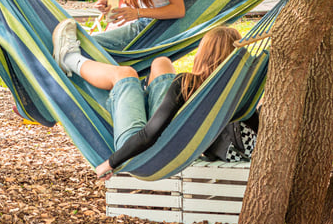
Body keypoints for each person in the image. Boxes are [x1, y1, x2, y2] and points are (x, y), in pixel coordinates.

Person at [52, 19, 257, 179]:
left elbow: (149, 135)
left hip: (143, 152)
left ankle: (69, 58)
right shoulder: (242, 91)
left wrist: (110, 162)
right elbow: (258, 125)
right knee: (161, 62)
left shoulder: (187, 84)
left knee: (125, 74)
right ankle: (137, 93)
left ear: (203, 55)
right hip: (174, 148)